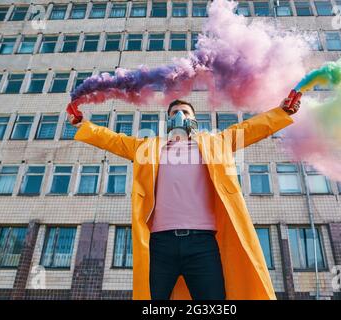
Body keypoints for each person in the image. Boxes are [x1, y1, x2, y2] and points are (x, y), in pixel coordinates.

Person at [68, 97, 300, 300]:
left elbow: (249, 129)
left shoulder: (216, 143)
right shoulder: (148, 147)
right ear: (167, 121)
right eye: (173, 113)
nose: (179, 116)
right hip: (159, 245)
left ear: (194, 120)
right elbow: (112, 140)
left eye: (185, 112)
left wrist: (281, 113)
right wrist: (82, 124)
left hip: (203, 244)